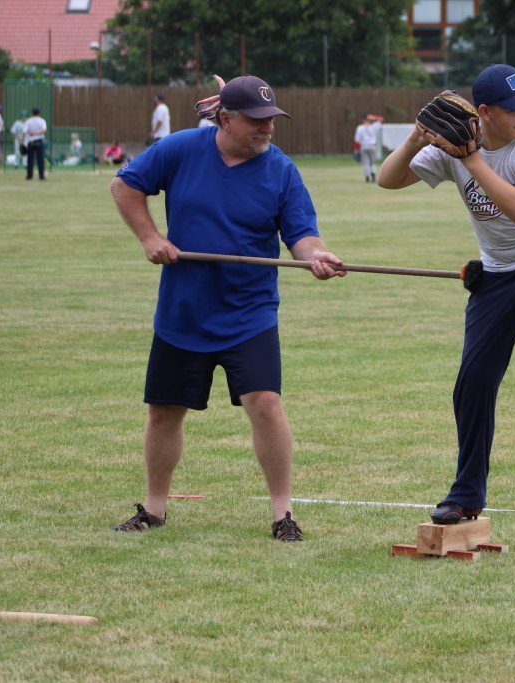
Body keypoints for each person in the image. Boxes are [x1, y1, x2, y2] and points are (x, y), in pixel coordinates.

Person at [110, 74, 346, 541]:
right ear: (225, 118)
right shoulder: (180, 149)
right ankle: (154, 509)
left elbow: (301, 235)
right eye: (257, 121)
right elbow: (125, 185)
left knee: (265, 403)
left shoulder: (281, 170)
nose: (267, 129)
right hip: (183, 310)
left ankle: (283, 515)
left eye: (272, 120)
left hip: (249, 311)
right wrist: (150, 237)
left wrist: (315, 256)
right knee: (164, 410)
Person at [377, 64, 515, 525]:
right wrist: (417, 138)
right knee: (473, 381)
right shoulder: (451, 150)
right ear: (484, 112)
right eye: (514, 109)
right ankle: (465, 494)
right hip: (498, 272)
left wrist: (471, 157)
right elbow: (387, 179)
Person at [353, 114, 381, 182]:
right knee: (373, 162)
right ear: (370, 120)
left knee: (366, 162)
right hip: (372, 146)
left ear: (363, 120)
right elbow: (380, 119)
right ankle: (373, 173)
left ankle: (367, 176)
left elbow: (357, 140)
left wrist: (356, 150)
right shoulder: (374, 126)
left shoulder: (360, 127)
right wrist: (372, 117)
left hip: (363, 146)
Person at [23, 106, 48, 181]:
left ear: (32, 113)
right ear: (39, 113)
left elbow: (24, 131)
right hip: (39, 142)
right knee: (40, 160)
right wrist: (37, 134)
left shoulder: (28, 121)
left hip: (30, 143)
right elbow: (44, 130)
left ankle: (29, 176)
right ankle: (41, 176)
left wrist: (22, 141)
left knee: (30, 160)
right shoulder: (42, 120)